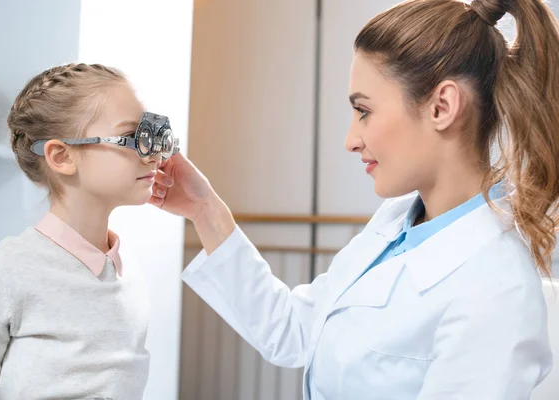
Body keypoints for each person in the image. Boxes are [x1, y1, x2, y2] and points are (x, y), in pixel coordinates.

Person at [150, 0, 559, 398]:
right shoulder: (397, 221)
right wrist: (205, 211)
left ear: (442, 107)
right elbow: (295, 331)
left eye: (363, 111)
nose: (350, 140)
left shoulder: (496, 289)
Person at [0, 63, 163, 399]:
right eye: (132, 137)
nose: (153, 153)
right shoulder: (1, 272)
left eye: (152, 136)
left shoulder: (129, 273)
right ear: (61, 156)